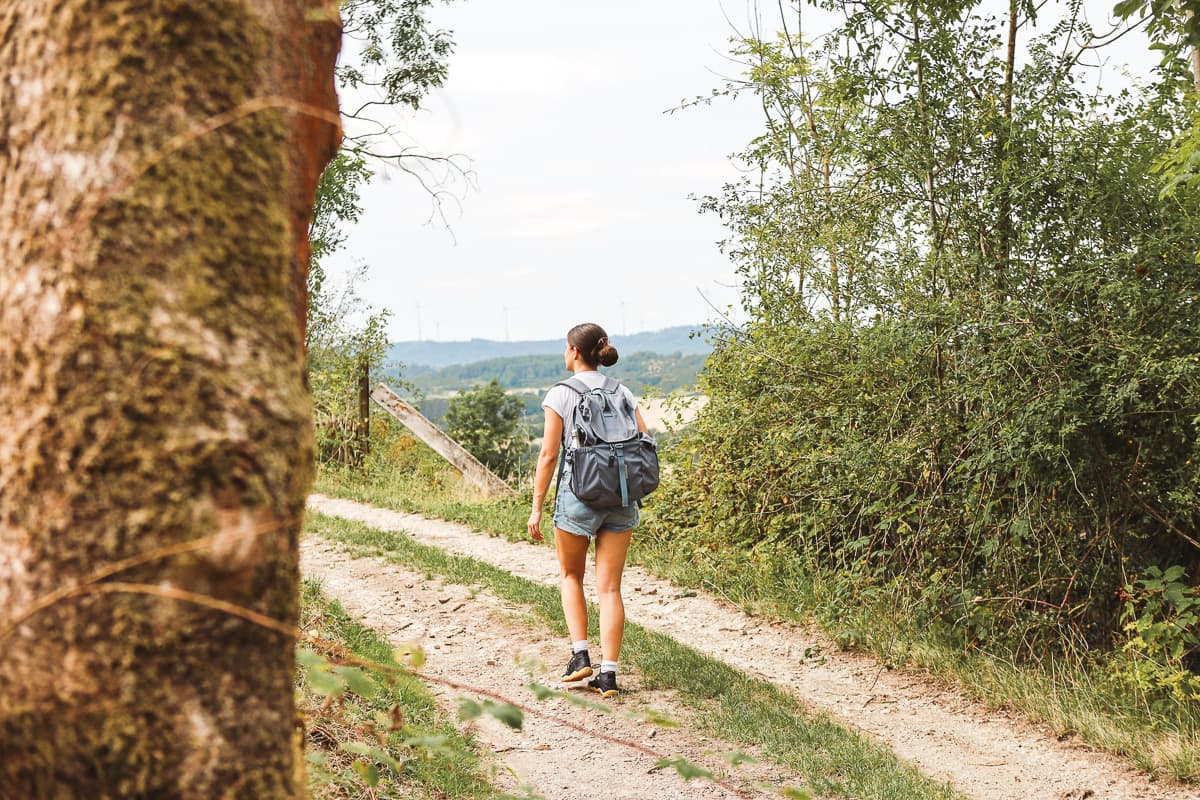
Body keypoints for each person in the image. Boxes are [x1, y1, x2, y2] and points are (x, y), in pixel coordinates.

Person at [527, 323, 648, 698]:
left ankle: (580, 656)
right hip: (621, 496)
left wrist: (536, 507)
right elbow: (644, 440)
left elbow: (548, 455)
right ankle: (608, 675)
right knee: (610, 588)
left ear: (575, 352)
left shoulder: (561, 393)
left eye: (566, 347)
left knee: (570, 576)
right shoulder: (622, 390)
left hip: (579, 494)